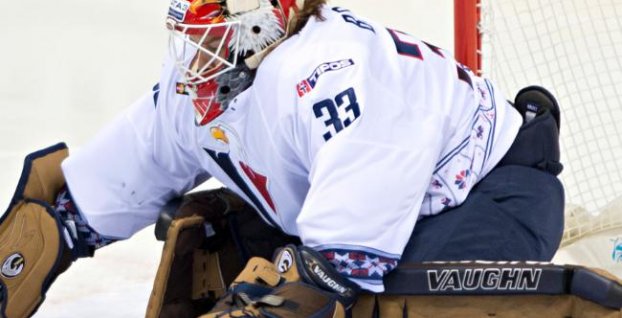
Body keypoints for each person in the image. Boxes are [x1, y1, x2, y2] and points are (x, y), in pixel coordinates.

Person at [0, 0, 564, 316]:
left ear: (262, 27)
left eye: (213, 39)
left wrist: (282, 301)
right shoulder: (202, 85)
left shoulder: (329, 71)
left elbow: (341, 268)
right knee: (217, 234)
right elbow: (89, 200)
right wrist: (49, 234)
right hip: (394, 205)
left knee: (382, 308)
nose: (197, 59)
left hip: (496, 199)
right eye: (193, 39)